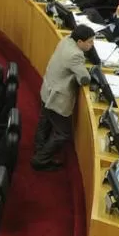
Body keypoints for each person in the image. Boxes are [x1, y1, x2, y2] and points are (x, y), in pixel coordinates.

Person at [32, 25, 95, 171]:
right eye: (90, 42)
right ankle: (40, 160)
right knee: (62, 133)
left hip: (48, 88)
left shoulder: (66, 40)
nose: (92, 45)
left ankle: (39, 148)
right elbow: (84, 79)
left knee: (45, 121)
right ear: (80, 42)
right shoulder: (75, 55)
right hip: (57, 98)